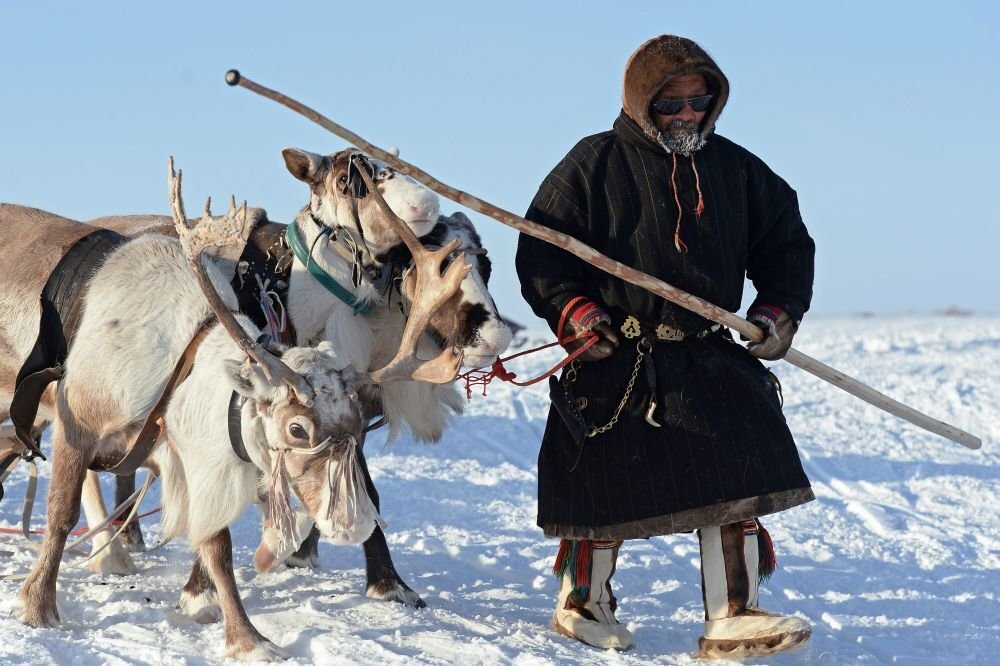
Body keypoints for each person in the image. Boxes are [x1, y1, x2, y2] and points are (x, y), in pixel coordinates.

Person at [515, 34, 816, 658]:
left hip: (707, 352)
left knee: (734, 476)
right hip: (615, 354)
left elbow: (787, 245)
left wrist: (776, 313)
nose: (686, 117)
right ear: (639, 104)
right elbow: (542, 252)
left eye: (698, 103)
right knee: (604, 489)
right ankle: (583, 604)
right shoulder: (591, 165)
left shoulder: (737, 170)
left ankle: (733, 614)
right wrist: (577, 314)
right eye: (669, 106)